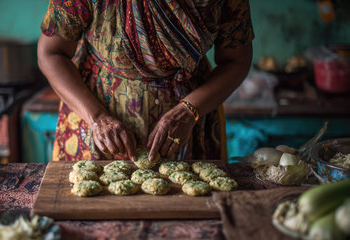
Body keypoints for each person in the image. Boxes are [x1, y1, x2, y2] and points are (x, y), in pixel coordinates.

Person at [37, 0, 254, 162]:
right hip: (94, 119)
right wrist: (97, 118)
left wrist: (189, 111)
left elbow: (236, 62)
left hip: (187, 127)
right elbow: (51, 53)